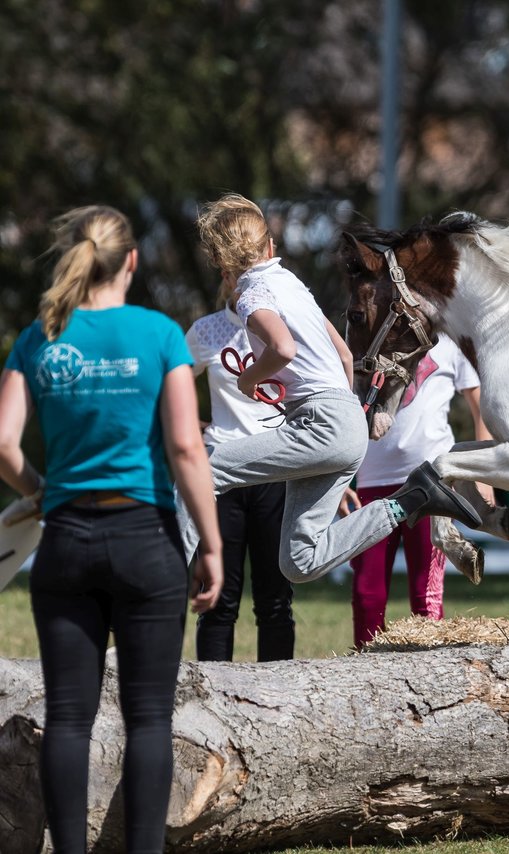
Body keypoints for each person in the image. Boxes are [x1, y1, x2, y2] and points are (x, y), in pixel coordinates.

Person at [0, 206, 223, 854]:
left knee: (69, 717)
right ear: (131, 261)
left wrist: (40, 491)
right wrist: (209, 543)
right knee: (148, 718)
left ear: (73, 254)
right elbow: (186, 449)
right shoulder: (158, 334)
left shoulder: (39, 336)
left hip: (67, 542)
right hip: (145, 542)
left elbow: (3, 442)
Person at [179, 194, 481, 583]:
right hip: (342, 423)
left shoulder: (252, 295)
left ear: (221, 262)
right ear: (270, 246)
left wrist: (247, 379)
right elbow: (342, 352)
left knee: (203, 469)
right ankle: (411, 499)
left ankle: (165, 581)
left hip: (319, 424)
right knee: (299, 562)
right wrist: (354, 412)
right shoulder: (292, 284)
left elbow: (283, 348)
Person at [341, 335, 494, 647]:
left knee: (427, 593)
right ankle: (364, 674)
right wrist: (341, 479)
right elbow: (341, 410)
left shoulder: (451, 343)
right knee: (366, 592)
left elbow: (481, 409)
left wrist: (482, 474)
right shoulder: (368, 338)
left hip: (433, 484)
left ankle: (431, 675)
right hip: (371, 483)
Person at [186, 290, 294, 662]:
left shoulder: (287, 324)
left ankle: (280, 707)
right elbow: (170, 390)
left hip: (276, 469)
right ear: (223, 269)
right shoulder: (206, 330)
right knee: (217, 601)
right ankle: (212, 705)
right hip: (221, 473)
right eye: (233, 268)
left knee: (276, 602)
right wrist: (190, 430)